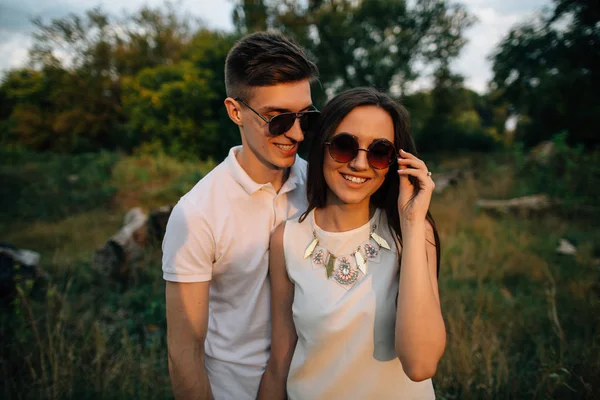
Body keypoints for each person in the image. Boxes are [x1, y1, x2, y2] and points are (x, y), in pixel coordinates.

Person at [258, 87, 446, 399]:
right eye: (345, 146)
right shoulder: (286, 240)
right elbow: (280, 360)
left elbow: (420, 364)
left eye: (379, 151)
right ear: (322, 147)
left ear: (395, 162)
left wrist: (411, 225)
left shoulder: (412, 233)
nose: (360, 164)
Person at [161, 31, 319, 400]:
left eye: (306, 118)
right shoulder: (197, 213)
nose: (296, 134)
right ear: (235, 111)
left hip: (314, 383)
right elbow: (184, 350)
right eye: (277, 119)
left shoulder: (320, 188)